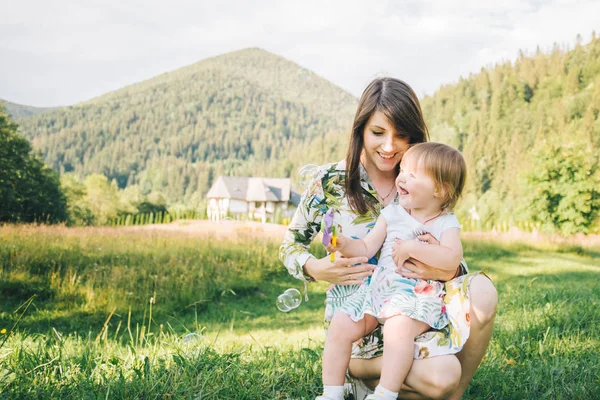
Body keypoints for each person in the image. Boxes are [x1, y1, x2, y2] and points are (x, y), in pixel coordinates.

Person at [279, 77, 498, 400]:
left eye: (401, 135)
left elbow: (449, 253)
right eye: (378, 133)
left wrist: (445, 269)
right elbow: (289, 247)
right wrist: (315, 268)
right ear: (361, 130)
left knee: (480, 295)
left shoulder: (424, 179)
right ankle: (358, 371)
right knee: (439, 377)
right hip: (360, 321)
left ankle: (438, 392)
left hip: (412, 315)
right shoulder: (330, 182)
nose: (389, 146)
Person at [318, 142, 466, 400]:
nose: (402, 178)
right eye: (403, 171)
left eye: (412, 175)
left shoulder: (446, 222)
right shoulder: (392, 213)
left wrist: (412, 247)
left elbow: (452, 258)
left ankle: (385, 393)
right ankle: (331, 393)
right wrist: (343, 243)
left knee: (397, 329)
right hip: (379, 293)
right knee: (342, 324)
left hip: (417, 297)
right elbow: (366, 246)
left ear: (440, 189)